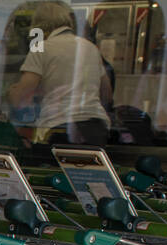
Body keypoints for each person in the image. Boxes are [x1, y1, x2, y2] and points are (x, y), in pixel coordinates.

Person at [6, 1, 111, 146]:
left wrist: (11, 92)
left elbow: (21, 97)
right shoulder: (90, 47)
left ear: (39, 26)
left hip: (60, 127)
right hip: (97, 127)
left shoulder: (41, 48)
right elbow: (106, 93)